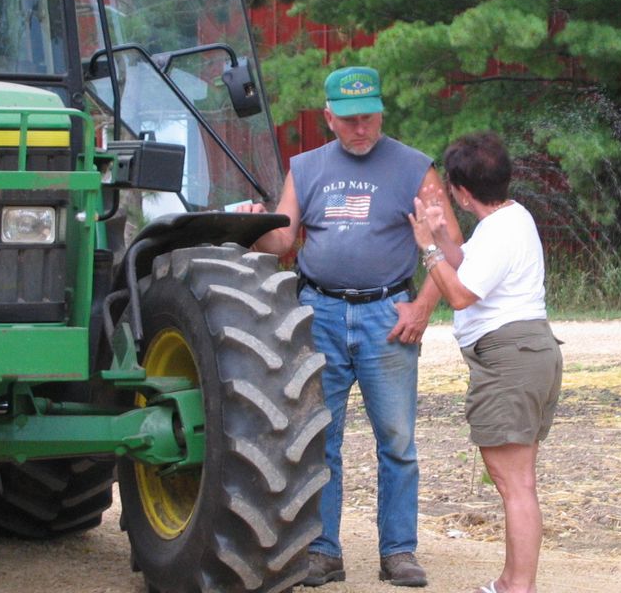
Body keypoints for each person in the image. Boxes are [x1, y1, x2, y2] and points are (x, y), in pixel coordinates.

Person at [239, 66, 461, 588]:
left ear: (381, 111)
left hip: (389, 315)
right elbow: (282, 243)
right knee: (320, 440)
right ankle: (322, 551)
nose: (362, 128)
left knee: (397, 440)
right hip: (319, 313)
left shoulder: (414, 168)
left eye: (370, 117)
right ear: (329, 118)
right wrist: (254, 225)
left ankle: (399, 552)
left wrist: (425, 304)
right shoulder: (307, 168)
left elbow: (452, 250)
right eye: (350, 120)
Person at [409, 131, 562, 593]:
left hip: (509, 359)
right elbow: (467, 264)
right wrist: (440, 235)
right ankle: (511, 582)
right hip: (529, 353)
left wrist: (426, 248)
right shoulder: (510, 220)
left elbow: (457, 294)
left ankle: (519, 587)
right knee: (519, 482)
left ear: (460, 190)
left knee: (514, 485)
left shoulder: (500, 231)